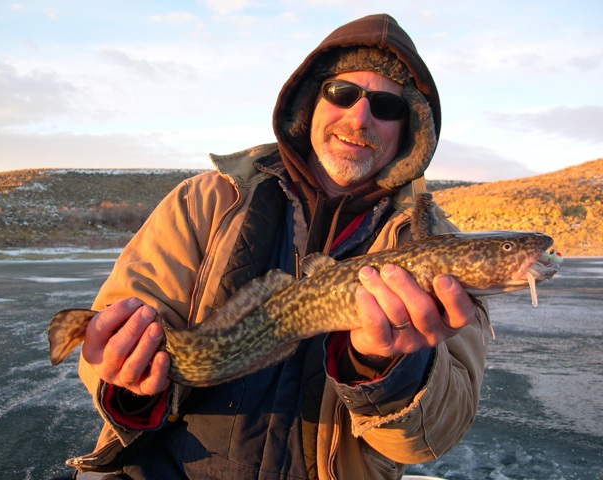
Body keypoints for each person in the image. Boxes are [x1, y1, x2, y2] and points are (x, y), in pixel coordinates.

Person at [66, 13, 490, 480]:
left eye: (386, 106)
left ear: (409, 127)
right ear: (312, 101)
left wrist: (386, 367)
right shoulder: (205, 201)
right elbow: (117, 332)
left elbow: (435, 434)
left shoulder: (441, 250)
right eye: (342, 94)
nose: (359, 116)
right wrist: (127, 382)